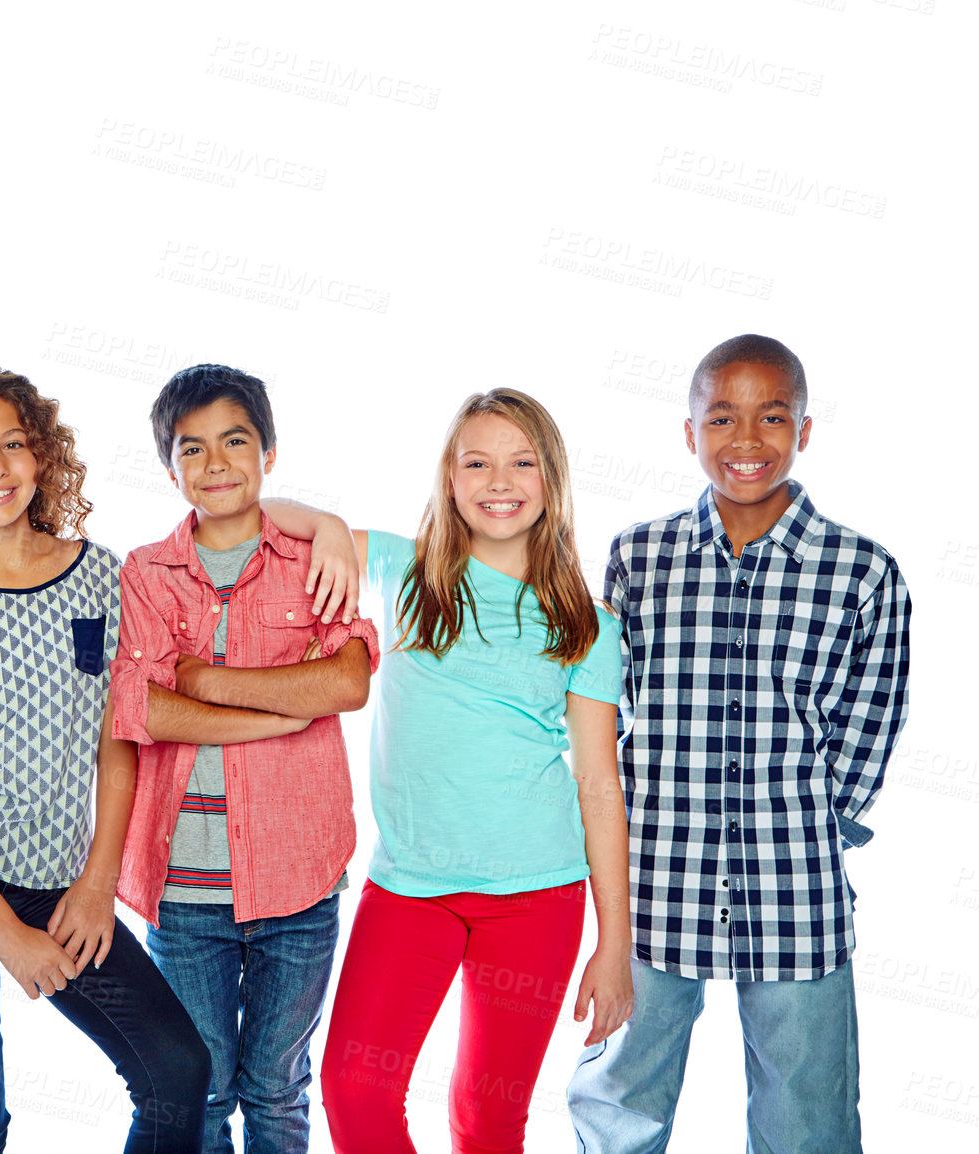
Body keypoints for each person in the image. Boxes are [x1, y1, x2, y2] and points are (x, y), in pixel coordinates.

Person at [566, 335, 911, 1153]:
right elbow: (600, 714)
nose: (746, 441)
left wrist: (812, 826)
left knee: (807, 1123)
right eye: (721, 417)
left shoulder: (862, 572)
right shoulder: (636, 559)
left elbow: (870, 726)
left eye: (771, 417)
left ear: (804, 429)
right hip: (651, 884)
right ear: (689, 432)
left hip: (797, 887)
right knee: (619, 1105)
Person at [273, 387, 634, 1154]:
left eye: (521, 463)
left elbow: (600, 787)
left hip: (538, 896)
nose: (499, 481)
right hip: (410, 889)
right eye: (477, 462)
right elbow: (262, 513)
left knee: (486, 1119)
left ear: (552, 479)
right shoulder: (405, 571)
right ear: (449, 478)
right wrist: (334, 527)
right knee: (354, 1092)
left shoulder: (588, 626)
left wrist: (615, 943)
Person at [0, 365, 211, 1154]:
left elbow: (117, 735)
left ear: (41, 455)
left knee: (177, 1069)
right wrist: (4, 935)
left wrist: (97, 884)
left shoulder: (99, 574)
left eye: (12, 445)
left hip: (61, 884)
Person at [107, 362, 379, 1153]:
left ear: (268, 452)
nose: (216, 464)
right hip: (185, 890)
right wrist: (274, 716)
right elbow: (143, 708)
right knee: (200, 1087)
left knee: (275, 1090)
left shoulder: (310, 561)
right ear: (170, 468)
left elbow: (348, 680)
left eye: (235, 441)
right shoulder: (147, 572)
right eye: (192, 450)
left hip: (299, 881)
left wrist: (211, 682)